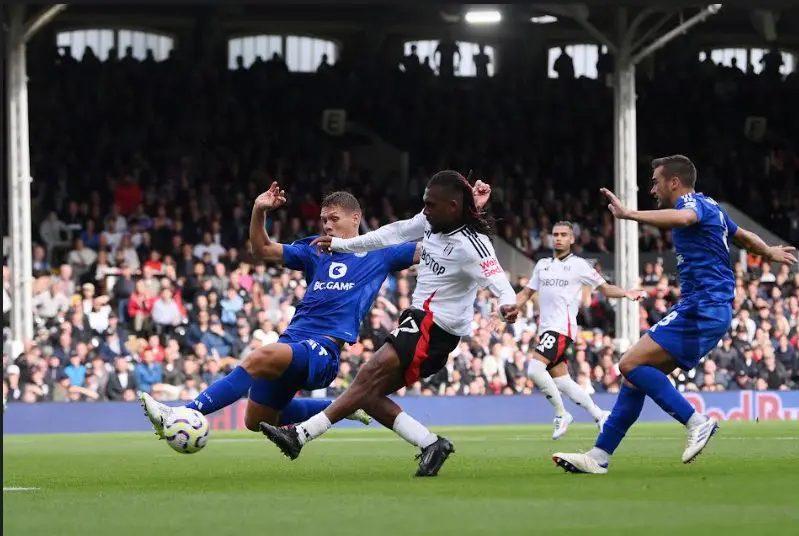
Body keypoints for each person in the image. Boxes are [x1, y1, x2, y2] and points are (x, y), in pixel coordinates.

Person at [139, 181, 493, 446]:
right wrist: (259, 210)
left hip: (323, 349)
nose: (326, 225)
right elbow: (262, 249)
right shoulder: (314, 249)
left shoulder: (381, 252)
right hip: (293, 342)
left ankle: (185, 411)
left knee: (261, 356)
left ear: (356, 218)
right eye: (323, 219)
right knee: (257, 419)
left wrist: (468, 211)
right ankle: (347, 407)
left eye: (333, 219)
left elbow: (439, 242)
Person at [259, 170, 518, 477]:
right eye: (425, 202)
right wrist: (341, 246)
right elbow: (390, 234)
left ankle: (299, 436)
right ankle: (431, 444)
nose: (426, 209)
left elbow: (497, 276)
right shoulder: (432, 220)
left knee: (366, 375)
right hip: (418, 321)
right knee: (368, 395)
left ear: (451, 207)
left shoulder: (472, 245)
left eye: (432, 204)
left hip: (435, 329)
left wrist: (507, 302)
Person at [553, 155, 797, 474]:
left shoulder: (692, 204)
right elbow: (742, 236)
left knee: (628, 363)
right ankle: (600, 456)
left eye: (655, 181)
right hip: (709, 307)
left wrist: (628, 214)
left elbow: (684, 220)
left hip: (702, 306)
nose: (652, 188)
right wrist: (768, 251)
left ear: (674, 182)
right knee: (635, 379)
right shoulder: (713, 207)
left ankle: (696, 422)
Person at [516, 221, 642, 440]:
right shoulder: (542, 265)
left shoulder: (580, 266)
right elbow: (526, 293)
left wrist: (626, 293)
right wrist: (506, 308)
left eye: (564, 235)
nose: (558, 238)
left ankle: (561, 414)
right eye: (555, 234)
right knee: (562, 381)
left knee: (534, 370)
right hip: (546, 328)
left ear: (572, 239)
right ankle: (599, 414)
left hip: (561, 329)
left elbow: (605, 289)